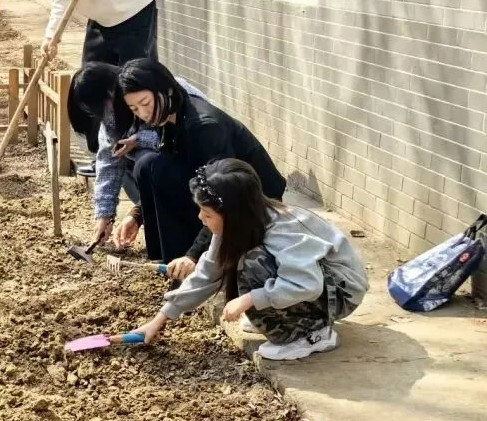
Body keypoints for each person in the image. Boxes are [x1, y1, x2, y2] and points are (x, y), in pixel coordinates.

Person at [132, 160, 368, 361]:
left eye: (207, 214)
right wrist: (160, 318)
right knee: (249, 262)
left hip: (341, 294)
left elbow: (307, 284)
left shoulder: (284, 229)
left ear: (233, 213)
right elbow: (207, 273)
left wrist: (249, 299)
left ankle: (313, 334)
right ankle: (289, 320)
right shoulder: (239, 225)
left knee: (253, 262)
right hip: (320, 287)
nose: (200, 218)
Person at [14, 0, 158, 177]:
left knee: (135, 86)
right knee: (88, 87)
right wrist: (51, 36)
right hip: (100, 20)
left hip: (134, 13)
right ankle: (100, 154)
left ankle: (140, 154)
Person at [109, 58, 286, 281]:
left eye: (146, 103)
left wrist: (194, 255)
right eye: (134, 108)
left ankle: (188, 263)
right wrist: (136, 216)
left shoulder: (205, 126)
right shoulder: (170, 116)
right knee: (150, 165)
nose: (143, 114)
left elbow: (223, 195)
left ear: (166, 90)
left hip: (257, 200)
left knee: (162, 170)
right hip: (221, 190)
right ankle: (170, 261)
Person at [68, 62, 208, 248]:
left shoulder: (157, 93)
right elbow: (109, 160)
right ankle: (158, 238)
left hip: (194, 168)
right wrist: (104, 215)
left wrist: (141, 138)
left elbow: (181, 138)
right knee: (130, 163)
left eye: (101, 106)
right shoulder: (112, 114)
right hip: (164, 168)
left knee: (146, 161)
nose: (105, 113)